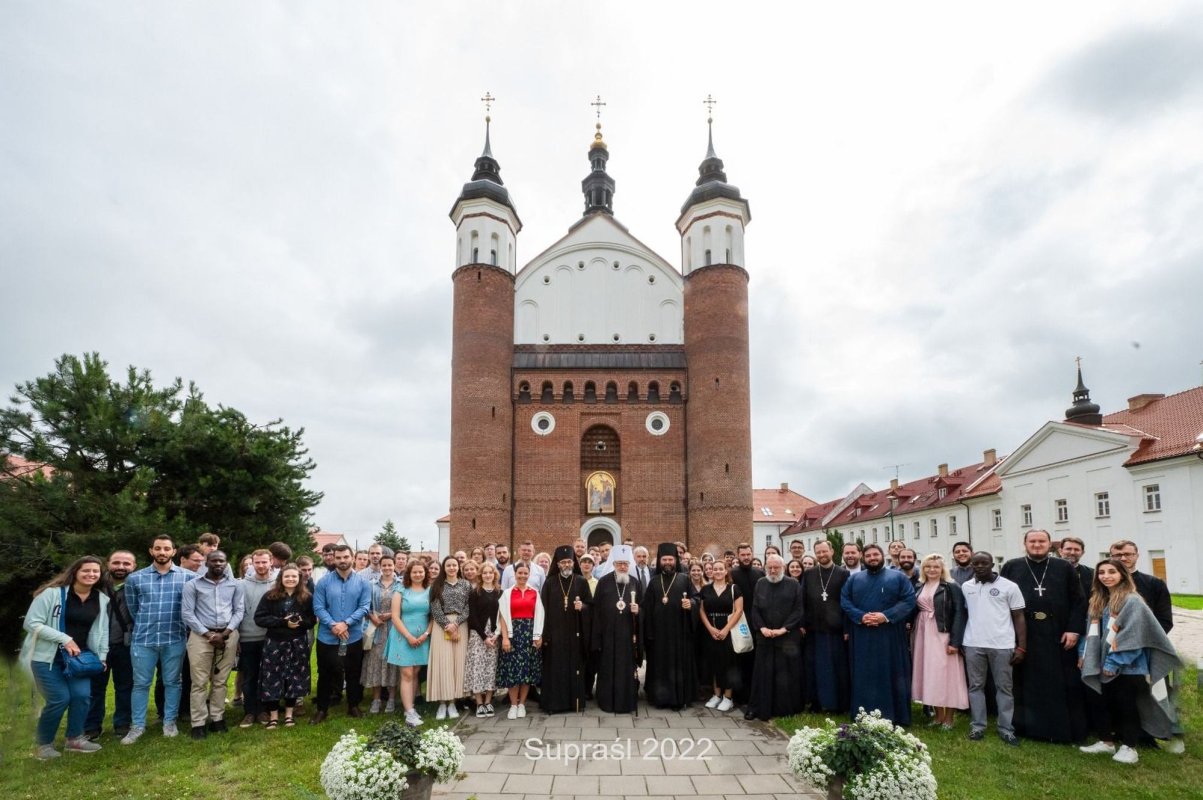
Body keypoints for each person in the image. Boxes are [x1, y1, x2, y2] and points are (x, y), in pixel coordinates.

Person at [1078, 558, 1183, 763]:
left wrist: (1113, 663)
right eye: (1102, 572)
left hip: (1127, 666)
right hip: (1098, 660)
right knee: (1100, 701)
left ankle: (1129, 747)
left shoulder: (1132, 600)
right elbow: (1088, 631)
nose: (1106, 576)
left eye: (1112, 572)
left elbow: (1133, 635)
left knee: (1126, 706)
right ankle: (1106, 742)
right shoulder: (1098, 600)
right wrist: (1084, 654)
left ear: (1122, 575)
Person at [1000, 529, 1087, 743]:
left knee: (1060, 682)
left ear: (1050, 545)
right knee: (1025, 681)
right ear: (1025, 544)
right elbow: (1001, 601)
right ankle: (1026, 727)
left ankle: (1059, 729)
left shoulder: (1064, 567)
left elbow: (1079, 601)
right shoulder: (1012, 566)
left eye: (1042, 541)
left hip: (1058, 633)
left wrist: (1074, 629)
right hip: (1024, 633)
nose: (1037, 545)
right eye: (1033, 541)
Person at [21, 556, 110, 759]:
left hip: (79, 659)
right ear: (75, 572)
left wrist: (102, 657)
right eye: (86, 570)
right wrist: (64, 638)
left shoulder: (101, 599)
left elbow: (102, 631)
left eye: (95, 571)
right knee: (59, 699)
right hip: (47, 657)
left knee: (81, 697)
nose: (91, 574)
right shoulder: (51, 594)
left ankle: (75, 739)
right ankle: (43, 745)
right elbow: (31, 623)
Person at [122, 535, 195, 744]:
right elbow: (133, 608)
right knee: (141, 684)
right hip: (144, 639)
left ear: (174, 552)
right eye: (158, 548)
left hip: (174, 638)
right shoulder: (135, 578)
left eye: (166, 549)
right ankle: (137, 726)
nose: (162, 552)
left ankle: (169, 722)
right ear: (151, 551)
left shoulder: (188, 577)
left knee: (173, 682)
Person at [841, 543, 917, 725]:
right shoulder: (854, 579)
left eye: (875, 555)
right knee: (864, 673)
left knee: (891, 673)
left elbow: (909, 600)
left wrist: (886, 616)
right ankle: (863, 713)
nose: (872, 558)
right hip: (862, 634)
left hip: (890, 635)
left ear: (883, 556)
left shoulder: (898, 577)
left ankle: (895, 715)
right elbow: (845, 601)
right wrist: (861, 616)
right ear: (863, 558)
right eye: (868, 556)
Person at [962, 551, 1026, 745]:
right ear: (971, 565)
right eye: (976, 563)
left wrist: (1021, 647)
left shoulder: (1009, 587)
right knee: (975, 686)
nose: (980, 566)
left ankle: (1006, 728)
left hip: (1002, 644)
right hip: (973, 643)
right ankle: (978, 726)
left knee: (1004, 688)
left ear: (992, 565)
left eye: (984, 563)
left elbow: (1019, 617)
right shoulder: (966, 586)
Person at [181, 550, 244, 739]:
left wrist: (225, 633)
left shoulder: (235, 585)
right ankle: (198, 722)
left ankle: (217, 718)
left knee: (220, 680)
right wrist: (208, 634)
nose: (218, 564)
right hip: (201, 636)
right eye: (214, 561)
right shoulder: (192, 585)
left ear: (226, 563)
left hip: (228, 634)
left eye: (222, 561)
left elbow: (239, 610)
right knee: (199, 681)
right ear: (206, 563)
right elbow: (187, 613)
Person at [311, 543, 371, 723]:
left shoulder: (363, 582)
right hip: (327, 637)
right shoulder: (324, 582)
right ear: (333, 559)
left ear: (352, 558)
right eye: (338, 558)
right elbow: (318, 607)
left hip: (352, 636)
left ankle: (353, 705)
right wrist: (333, 625)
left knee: (353, 672)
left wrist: (346, 623)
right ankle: (322, 709)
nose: (342, 561)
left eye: (345, 557)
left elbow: (364, 606)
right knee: (325, 672)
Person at [909, 553, 968, 730]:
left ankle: (949, 718)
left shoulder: (951, 586)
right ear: (923, 568)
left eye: (936, 567)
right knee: (929, 673)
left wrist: (955, 642)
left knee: (947, 675)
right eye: (928, 566)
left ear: (942, 569)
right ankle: (938, 716)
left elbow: (959, 613)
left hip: (942, 633)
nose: (932, 570)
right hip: (923, 632)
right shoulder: (920, 585)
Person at [255, 563, 316, 728]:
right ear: (281, 578)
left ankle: (289, 714)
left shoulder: (307, 597)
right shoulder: (270, 596)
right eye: (287, 576)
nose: (290, 579)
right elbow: (259, 618)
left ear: (299, 579)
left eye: (294, 576)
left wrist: (302, 622)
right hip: (275, 643)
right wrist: (282, 622)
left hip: (297, 643)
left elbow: (312, 620)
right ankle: (273, 716)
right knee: (272, 677)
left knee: (294, 678)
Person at [744, 555, 805, 721]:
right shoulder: (761, 583)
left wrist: (783, 629)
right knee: (762, 674)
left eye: (776, 567)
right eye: (769, 567)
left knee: (784, 675)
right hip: (765, 637)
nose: (772, 571)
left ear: (783, 567)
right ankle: (757, 708)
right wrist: (762, 627)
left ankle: (784, 709)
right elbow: (755, 609)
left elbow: (798, 610)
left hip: (786, 637)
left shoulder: (793, 584)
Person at [85, 550, 136, 741]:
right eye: (117, 562)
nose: (121, 567)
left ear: (134, 566)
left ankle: (122, 723)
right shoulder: (94, 584)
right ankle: (91, 726)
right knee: (95, 688)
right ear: (108, 564)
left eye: (126, 563)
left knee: (125, 686)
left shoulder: (137, 585)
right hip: (96, 645)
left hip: (125, 644)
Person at [642, 543, 697, 710]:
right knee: (660, 667)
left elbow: (697, 598)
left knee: (677, 668)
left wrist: (691, 604)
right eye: (664, 559)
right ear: (660, 561)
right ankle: (660, 698)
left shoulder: (684, 579)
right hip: (659, 635)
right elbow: (646, 608)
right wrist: (649, 633)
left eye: (670, 559)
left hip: (679, 634)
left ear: (676, 561)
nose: (667, 562)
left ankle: (678, 699)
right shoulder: (653, 582)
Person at [540, 545, 593, 713]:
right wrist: (545, 635)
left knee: (574, 668)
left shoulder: (581, 581)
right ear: (557, 564)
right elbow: (542, 610)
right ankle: (554, 704)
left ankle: (573, 703)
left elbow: (591, 606)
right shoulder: (549, 583)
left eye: (569, 561)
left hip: (574, 634)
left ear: (573, 562)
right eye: (563, 562)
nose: (567, 565)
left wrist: (582, 607)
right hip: (554, 635)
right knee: (555, 669)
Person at [590, 545, 642, 713]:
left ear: (629, 565)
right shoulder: (604, 582)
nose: (622, 567)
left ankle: (625, 701)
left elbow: (644, 609)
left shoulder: (635, 583)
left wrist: (638, 611)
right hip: (607, 634)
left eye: (625, 564)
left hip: (627, 635)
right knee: (607, 667)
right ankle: (606, 701)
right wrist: (597, 637)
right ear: (613, 564)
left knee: (625, 668)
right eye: (619, 563)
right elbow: (596, 610)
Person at [800, 541, 850, 713]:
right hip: (814, 629)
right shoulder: (810, 574)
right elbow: (803, 600)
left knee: (835, 668)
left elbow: (847, 602)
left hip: (835, 631)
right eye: (818, 552)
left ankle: (836, 703)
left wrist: (846, 628)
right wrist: (802, 623)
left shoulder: (843, 574)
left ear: (832, 551)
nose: (821, 555)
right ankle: (816, 702)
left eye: (824, 551)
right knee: (814, 668)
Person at [497, 562, 544, 719]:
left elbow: (540, 615)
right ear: (514, 574)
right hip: (513, 634)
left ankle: (522, 704)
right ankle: (513, 705)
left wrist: (538, 635)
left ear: (529, 574)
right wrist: (505, 637)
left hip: (529, 634)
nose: (523, 576)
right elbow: (502, 617)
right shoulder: (507, 593)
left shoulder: (535, 592)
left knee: (526, 672)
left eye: (525, 573)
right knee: (513, 671)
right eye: (520, 573)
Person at [388, 559, 432, 727]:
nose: (418, 574)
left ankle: (411, 707)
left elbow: (433, 616)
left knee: (415, 673)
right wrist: (408, 636)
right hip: (403, 637)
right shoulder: (401, 590)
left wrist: (426, 634)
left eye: (421, 571)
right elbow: (395, 616)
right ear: (409, 574)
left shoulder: (430, 591)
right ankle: (409, 712)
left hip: (422, 638)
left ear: (425, 573)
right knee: (406, 673)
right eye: (415, 572)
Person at [236, 549, 277, 728]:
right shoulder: (242, 585)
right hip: (247, 637)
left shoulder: (277, 584)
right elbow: (236, 611)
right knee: (250, 676)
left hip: (271, 637)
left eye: (264, 562)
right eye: (257, 562)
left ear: (271, 562)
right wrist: (236, 636)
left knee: (266, 676)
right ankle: (249, 711)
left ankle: (263, 710)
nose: (261, 566)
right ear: (252, 563)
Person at [429, 555, 471, 720]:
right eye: (448, 565)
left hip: (461, 625)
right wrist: (447, 625)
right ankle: (441, 703)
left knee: (457, 664)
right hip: (441, 627)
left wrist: (457, 623)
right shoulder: (437, 585)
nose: (452, 568)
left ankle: (453, 702)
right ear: (444, 568)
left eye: (454, 565)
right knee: (443, 663)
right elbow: (435, 608)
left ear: (458, 567)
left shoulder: (466, 585)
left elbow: (468, 606)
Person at [698, 558, 742, 712]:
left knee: (728, 664)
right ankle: (716, 695)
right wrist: (710, 628)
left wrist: (726, 630)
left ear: (725, 571)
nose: (717, 571)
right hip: (710, 631)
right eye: (714, 569)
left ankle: (728, 697)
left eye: (720, 569)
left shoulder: (734, 589)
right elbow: (702, 611)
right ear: (710, 572)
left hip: (728, 630)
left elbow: (738, 610)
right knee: (713, 663)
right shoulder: (705, 589)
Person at [361, 554, 400, 714]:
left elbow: (404, 606)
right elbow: (365, 605)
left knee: (391, 664)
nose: (387, 568)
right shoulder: (371, 585)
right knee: (375, 663)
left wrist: (391, 614)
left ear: (394, 566)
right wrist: (373, 617)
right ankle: (376, 699)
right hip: (376, 629)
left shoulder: (400, 585)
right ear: (380, 567)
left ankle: (391, 699)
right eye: (384, 565)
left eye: (390, 565)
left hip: (393, 628)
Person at [1108, 540, 1173, 633]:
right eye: (1117, 555)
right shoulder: (1102, 583)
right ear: (1111, 557)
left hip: (1144, 639)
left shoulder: (1155, 583)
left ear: (1137, 556)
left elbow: (1164, 620)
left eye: (1128, 554)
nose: (1123, 558)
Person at [729, 543, 765, 704]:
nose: (746, 557)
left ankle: (754, 694)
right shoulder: (732, 574)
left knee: (754, 661)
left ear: (752, 554)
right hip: (738, 622)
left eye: (748, 554)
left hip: (757, 622)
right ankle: (739, 696)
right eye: (742, 555)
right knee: (738, 660)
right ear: (738, 556)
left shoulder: (760, 573)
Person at [466, 561, 502, 717]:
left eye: (490, 572)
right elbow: (472, 617)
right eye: (485, 573)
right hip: (478, 635)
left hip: (494, 635)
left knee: (491, 668)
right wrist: (483, 637)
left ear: (495, 575)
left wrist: (496, 635)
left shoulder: (500, 593)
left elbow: (502, 616)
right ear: (481, 575)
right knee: (478, 668)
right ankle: (479, 702)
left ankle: (488, 701)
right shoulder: (475, 593)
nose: (488, 575)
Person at [1058, 537, 1093, 602]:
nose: (1072, 552)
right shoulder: (1048, 571)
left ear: (1082, 553)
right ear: (1060, 551)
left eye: (1076, 549)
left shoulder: (1091, 573)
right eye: (1068, 549)